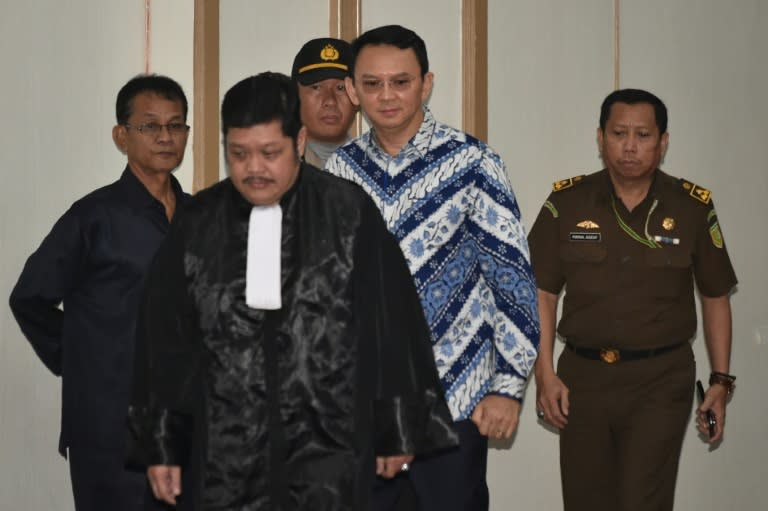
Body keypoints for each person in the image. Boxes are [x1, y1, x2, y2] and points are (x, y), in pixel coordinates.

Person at [126, 72, 458, 511]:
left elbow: (391, 326)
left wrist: (395, 428)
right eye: (238, 154)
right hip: (225, 453)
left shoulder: (348, 213)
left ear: (299, 142)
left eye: (270, 153)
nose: (254, 169)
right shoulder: (197, 223)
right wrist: (163, 445)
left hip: (329, 447)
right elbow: (165, 342)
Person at [325, 25, 540, 511]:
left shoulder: (473, 163)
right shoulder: (339, 173)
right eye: (373, 84)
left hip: (455, 399)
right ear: (354, 91)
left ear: (426, 83)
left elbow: (513, 281)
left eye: (401, 82)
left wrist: (507, 386)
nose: (387, 95)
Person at [528, 88, 737, 511]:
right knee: (586, 501)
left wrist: (720, 381)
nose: (629, 146)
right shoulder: (566, 203)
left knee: (643, 500)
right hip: (581, 380)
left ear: (663, 142)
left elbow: (715, 296)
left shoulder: (692, 207)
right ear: (600, 137)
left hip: (659, 381)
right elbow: (542, 293)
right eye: (619, 133)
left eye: (643, 135)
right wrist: (544, 373)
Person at [8, 74, 190, 511]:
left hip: (185, 429)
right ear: (121, 136)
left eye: (176, 125)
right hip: (108, 429)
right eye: (150, 126)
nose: (165, 137)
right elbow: (29, 297)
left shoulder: (200, 215)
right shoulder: (93, 217)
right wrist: (83, 357)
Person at [291, 37, 357, 167]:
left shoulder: (378, 172)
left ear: (357, 96)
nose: (330, 101)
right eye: (316, 87)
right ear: (295, 96)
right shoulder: (280, 169)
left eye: (340, 88)